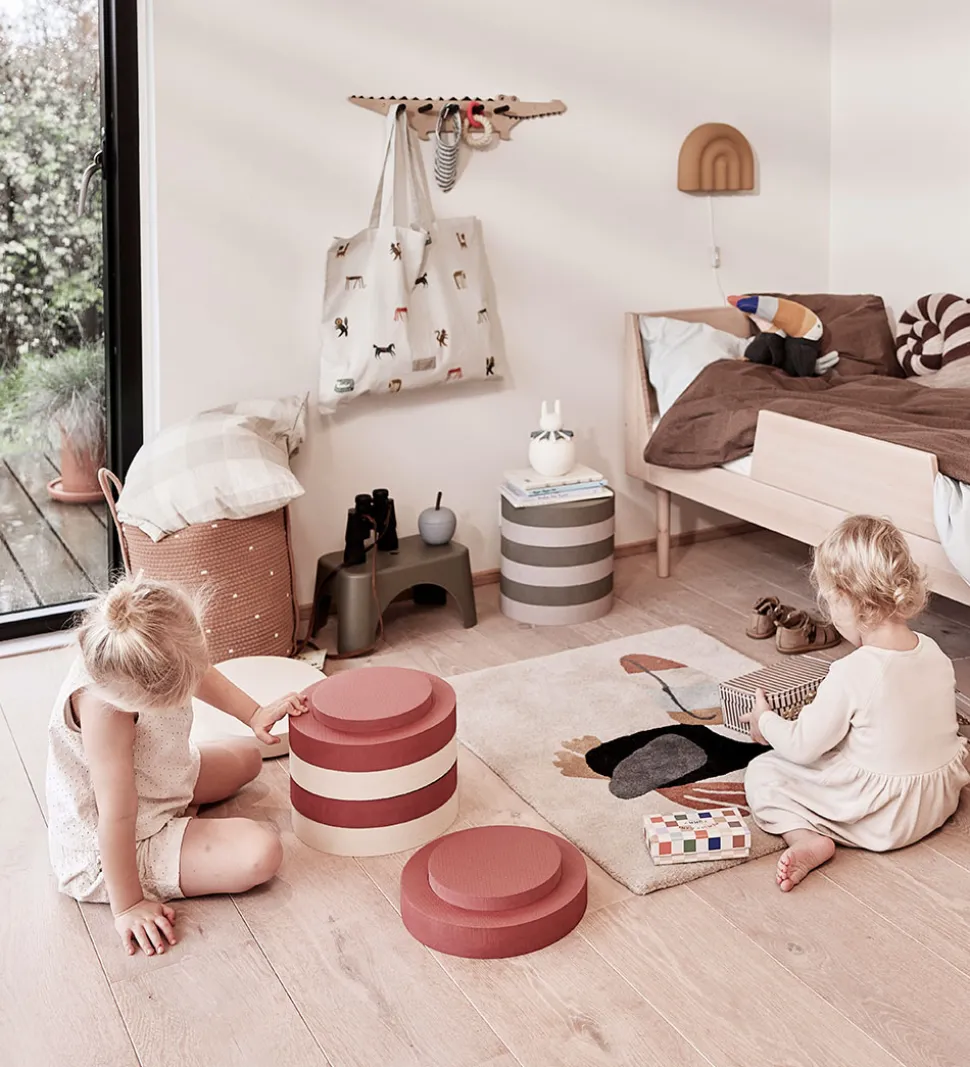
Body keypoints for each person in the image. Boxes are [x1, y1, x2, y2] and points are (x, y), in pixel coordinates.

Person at [46, 575, 309, 956]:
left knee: (249, 757)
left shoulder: (142, 644)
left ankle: (180, 815)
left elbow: (196, 669)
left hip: (158, 781)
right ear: (147, 694)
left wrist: (254, 713)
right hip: (119, 843)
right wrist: (129, 906)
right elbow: (116, 816)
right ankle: (170, 837)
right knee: (262, 852)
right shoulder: (107, 712)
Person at [742, 515, 970, 891]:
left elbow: (801, 746)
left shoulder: (852, 671)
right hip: (935, 803)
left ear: (849, 599)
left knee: (763, 772)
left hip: (883, 818)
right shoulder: (934, 652)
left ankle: (806, 839)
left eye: (831, 602)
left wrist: (765, 721)